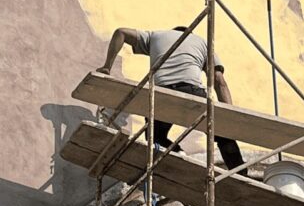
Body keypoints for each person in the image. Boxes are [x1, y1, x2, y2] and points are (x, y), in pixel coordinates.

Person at [97, 26, 245, 170]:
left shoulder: (155, 36)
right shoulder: (203, 43)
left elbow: (121, 32)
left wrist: (107, 67)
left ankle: (177, 153)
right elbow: (219, 81)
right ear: (191, 34)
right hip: (193, 93)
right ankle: (239, 172)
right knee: (223, 135)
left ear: (172, 32)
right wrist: (228, 116)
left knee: (155, 137)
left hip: (162, 95)